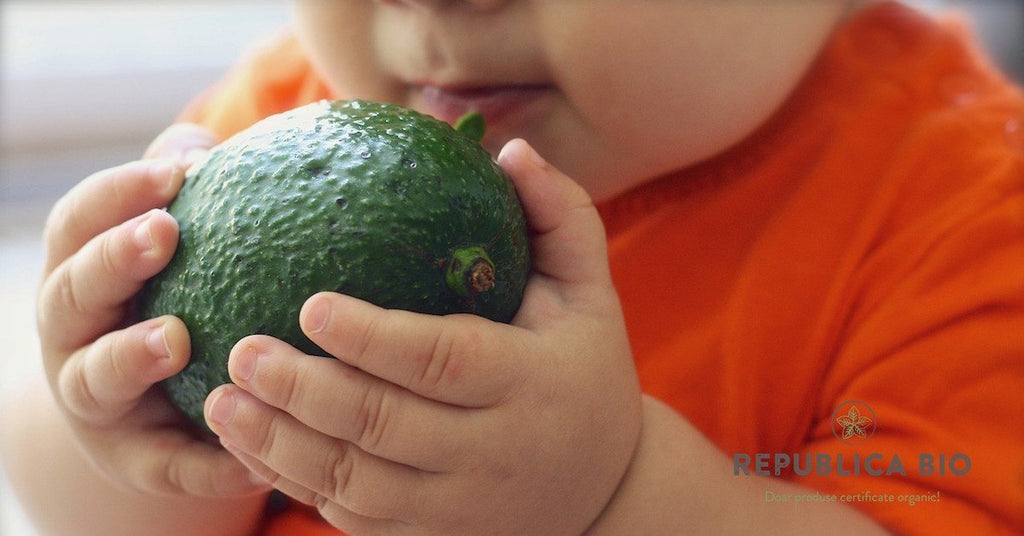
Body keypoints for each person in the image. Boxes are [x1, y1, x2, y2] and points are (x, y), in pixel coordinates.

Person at [2, 0, 1022, 534]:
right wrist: (113, 409)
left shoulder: (966, 211)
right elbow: (94, 506)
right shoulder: (296, 115)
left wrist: (609, 497)